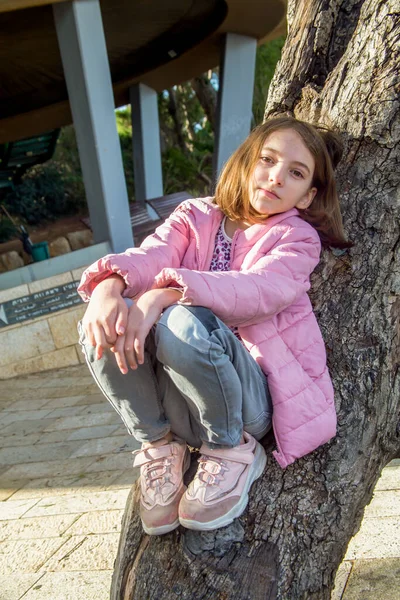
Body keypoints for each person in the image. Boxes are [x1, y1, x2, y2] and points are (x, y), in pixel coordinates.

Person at [77, 116, 350, 536]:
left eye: (295, 173)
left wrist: (165, 293)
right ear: (246, 161)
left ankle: (230, 452)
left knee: (184, 320)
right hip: (183, 405)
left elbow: (261, 290)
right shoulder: (196, 216)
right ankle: (159, 444)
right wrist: (108, 286)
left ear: (308, 194)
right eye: (268, 160)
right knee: (102, 323)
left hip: (247, 405)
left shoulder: (297, 239)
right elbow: (153, 255)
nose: (276, 177)